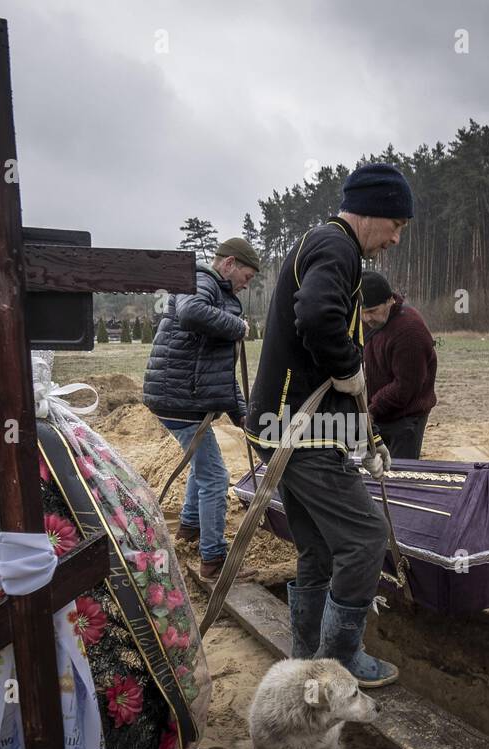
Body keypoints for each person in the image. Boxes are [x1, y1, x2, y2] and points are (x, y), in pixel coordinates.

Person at [245, 162, 414, 688]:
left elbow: (330, 366)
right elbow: (317, 318)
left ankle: (305, 655)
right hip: (303, 435)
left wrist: (371, 438)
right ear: (375, 213)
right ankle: (339, 661)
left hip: (288, 428)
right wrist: (348, 366)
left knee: (317, 548)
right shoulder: (338, 247)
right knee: (366, 540)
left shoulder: (326, 245)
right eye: (396, 225)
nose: (395, 238)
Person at [143, 237, 260, 579]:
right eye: (247, 276)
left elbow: (219, 372)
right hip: (179, 399)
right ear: (229, 264)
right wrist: (239, 327)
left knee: (201, 464)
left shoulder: (216, 291)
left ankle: (190, 528)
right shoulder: (201, 280)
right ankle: (214, 561)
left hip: (183, 397)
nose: (246, 284)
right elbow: (191, 312)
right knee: (215, 476)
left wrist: (243, 414)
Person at [361, 271, 436, 459]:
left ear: (389, 301)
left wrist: (372, 409)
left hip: (406, 418)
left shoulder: (409, 330)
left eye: (372, 311)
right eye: (362, 312)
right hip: (375, 414)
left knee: (400, 476)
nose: (367, 318)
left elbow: (406, 386)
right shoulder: (365, 322)